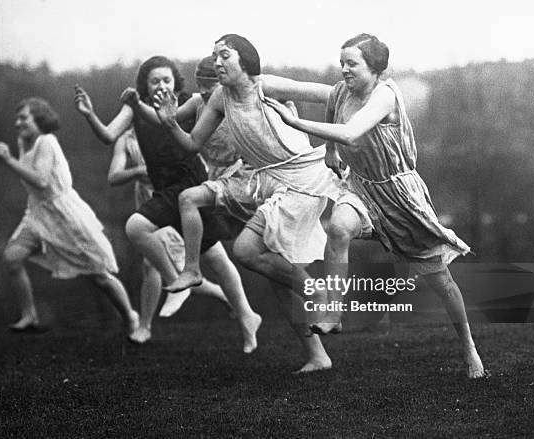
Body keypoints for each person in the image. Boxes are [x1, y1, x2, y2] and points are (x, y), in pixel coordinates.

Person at [265, 33, 486, 379]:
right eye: (342, 63)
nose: (344, 70)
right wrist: (329, 152)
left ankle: (469, 348)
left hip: (400, 197)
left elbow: (351, 132)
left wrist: (295, 123)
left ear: (376, 68)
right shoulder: (340, 92)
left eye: (352, 64)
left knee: (440, 281)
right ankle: (333, 311)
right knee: (338, 227)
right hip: (362, 188)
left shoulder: (385, 95)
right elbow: (335, 123)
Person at [153, 34, 353, 373]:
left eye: (224, 55)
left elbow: (332, 95)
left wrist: (333, 147)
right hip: (270, 181)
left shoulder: (267, 86)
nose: (217, 62)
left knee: (246, 250)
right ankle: (317, 355)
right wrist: (171, 122)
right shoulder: (219, 97)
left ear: (245, 60)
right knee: (273, 270)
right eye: (213, 56)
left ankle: (319, 295)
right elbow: (191, 144)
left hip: (305, 178)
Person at [74, 56, 260, 352]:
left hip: (190, 183)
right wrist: (89, 114)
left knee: (207, 254)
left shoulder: (186, 103)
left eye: (166, 80)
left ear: (176, 83)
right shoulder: (135, 108)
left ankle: (242, 315)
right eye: (154, 81)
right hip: (165, 188)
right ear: (144, 86)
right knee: (203, 252)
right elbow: (109, 135)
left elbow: (167, 118)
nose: (161, 85)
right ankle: (190, 288)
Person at [0, 97, 140, 341]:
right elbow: (36, 185)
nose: (18, 123)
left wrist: (9, 160)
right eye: (17, 118)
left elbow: (41, 180)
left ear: (39, 119)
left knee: (100, 275)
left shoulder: (47, 141)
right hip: (38, 213)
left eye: (24, 118)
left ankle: (130, 317)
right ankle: (30, 316)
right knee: (12, 258)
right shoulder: (23, 141)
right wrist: (13, 158)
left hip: (66, 215)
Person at [108, 128, 235, 337]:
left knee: (212, 256)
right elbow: (113, 176)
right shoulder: (126, 140)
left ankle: (232, 300)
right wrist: (138, 171)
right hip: (152, 204)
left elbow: (197, 164)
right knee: (153, 266)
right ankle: (145, 326)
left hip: (180, 202)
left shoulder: (171, 128)